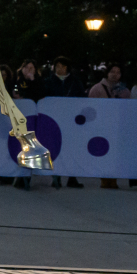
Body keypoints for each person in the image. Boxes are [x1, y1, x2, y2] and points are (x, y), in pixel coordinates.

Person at [36, 57, 84, 188]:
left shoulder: (75, 82)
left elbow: (81, 99)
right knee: (54, 147)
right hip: (54, 119)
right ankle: (56, 176)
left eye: (62, 66)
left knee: (71, 147)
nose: (59, 68)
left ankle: (71, 176)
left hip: (70, 120)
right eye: (57, 66)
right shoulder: (49, 81)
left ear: (67, 67)